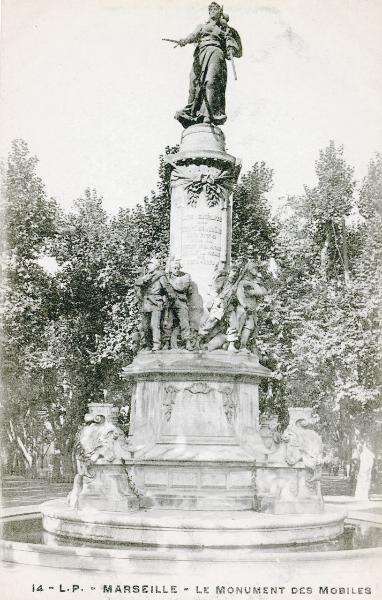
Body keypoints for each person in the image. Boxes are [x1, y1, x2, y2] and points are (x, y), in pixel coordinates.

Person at [174, 2, 242, 128]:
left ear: (220, 12)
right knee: (194, 84)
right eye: (210, 9)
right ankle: (193, 114)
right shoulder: (202, 26)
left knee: (211, 82)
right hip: (201, 53)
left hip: (216, 52)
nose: (212, 11)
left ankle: (208, 116)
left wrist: (231, 45)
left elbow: (233, 44)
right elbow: (193, 35)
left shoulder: (225, 29)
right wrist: (184, 40)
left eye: (215, 9)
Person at [135, 257, 176, 351]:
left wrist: (169, 300)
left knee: (155, 325)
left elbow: (168, 289)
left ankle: (156, 344)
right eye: (148, 264)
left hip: (156, 302)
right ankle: (148, 344)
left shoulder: (161, 276)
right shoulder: (146, 276)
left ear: (156, 266)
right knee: (145, 326)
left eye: (151, 264)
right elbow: (137, 283)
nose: (149, 266)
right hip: (146, 302)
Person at [165, 259, 193, 350]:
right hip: (169, 302)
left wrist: (169, 283)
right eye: (174, 268)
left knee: (185, 321)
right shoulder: (167, 277)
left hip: (180, 301)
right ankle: (166, 342)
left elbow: (182, 287)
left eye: (178, 267)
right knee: (167, 322)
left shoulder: (186, 276)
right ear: (171, 268)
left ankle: (188, 342)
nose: (176, 269)